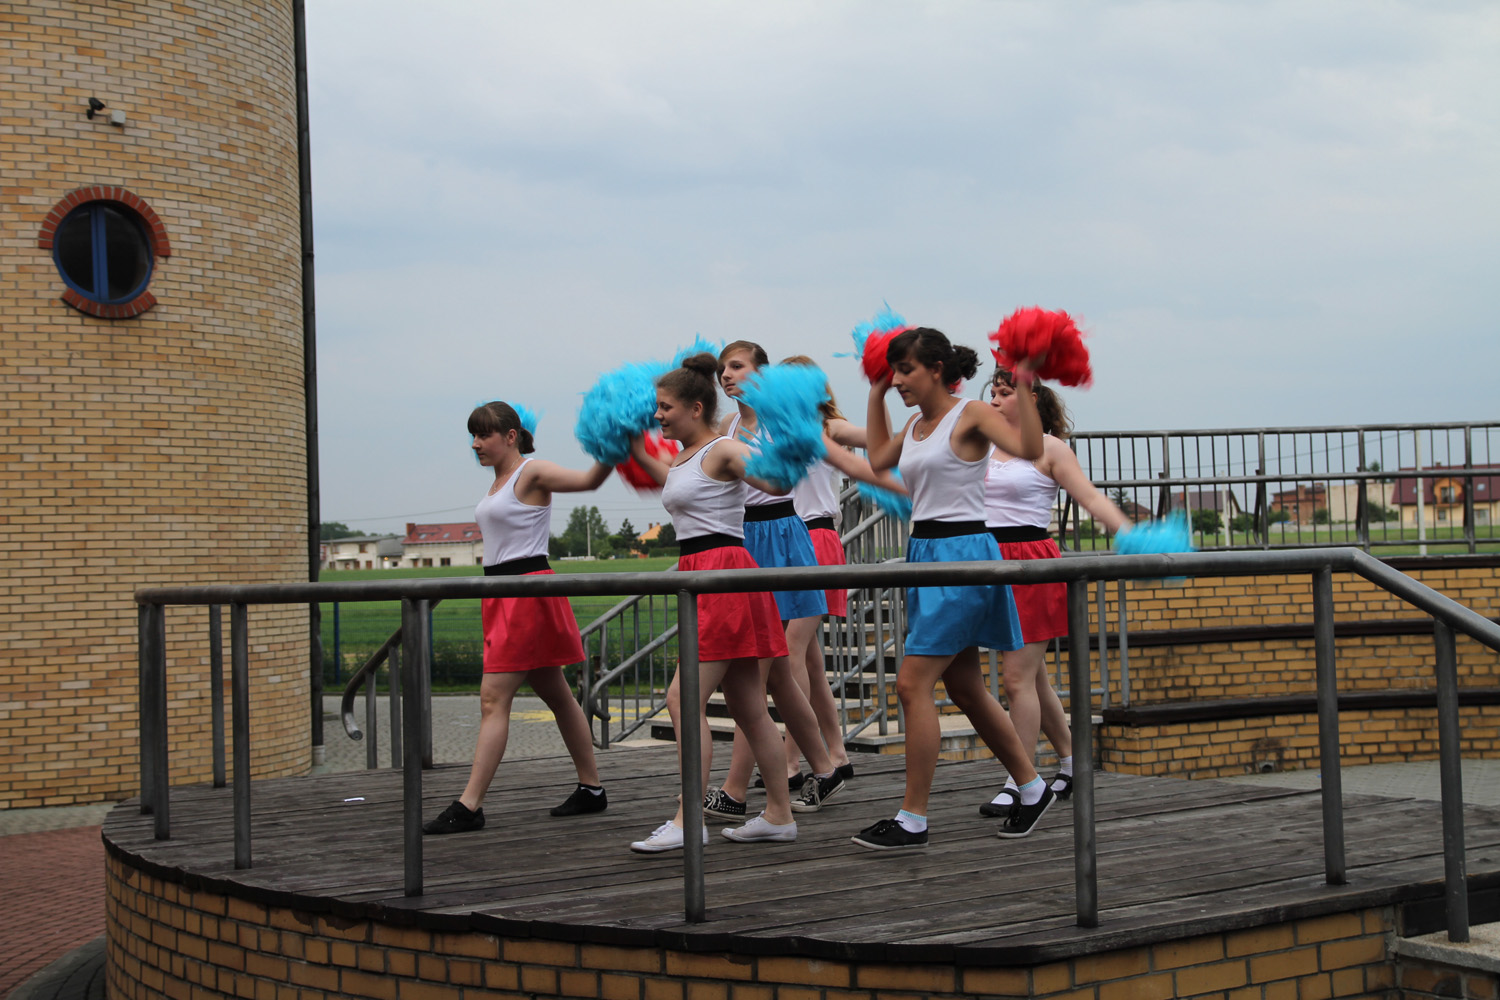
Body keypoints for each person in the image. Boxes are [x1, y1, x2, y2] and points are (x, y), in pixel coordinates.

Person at [853, 327, 1055, 850]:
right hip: (925, 554)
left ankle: (913, 818)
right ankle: (1032, 788)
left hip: (963, 555)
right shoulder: (917, 424)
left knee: (911, 685)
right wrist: (875, 393)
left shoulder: (971, 414)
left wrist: (1025, 384)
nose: (899, 380)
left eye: (906, 371)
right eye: (894, 371)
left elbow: (1031, 447)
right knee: (964, 688)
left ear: (937, 369)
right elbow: (878, 459)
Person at [624, 353, 801, 851]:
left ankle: (688, 819)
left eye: (665, 407)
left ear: (695, 408)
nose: (658, 415)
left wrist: (793, 441)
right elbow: (667, 476)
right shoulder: (684, 456)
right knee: (749, 707)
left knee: (682, 699)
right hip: (701, 573)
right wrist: (629, 442)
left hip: (721, 574)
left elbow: (777, 482)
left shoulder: (723, 449)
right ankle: (780, 815)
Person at [423, 402, 611, 835]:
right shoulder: (499, 481)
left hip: (525, 594)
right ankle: (592, 789)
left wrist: (613, 444)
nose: (475, 444)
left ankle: (470, 805)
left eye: (483, 435)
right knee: (557, 694)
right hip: (504, 595)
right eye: (472, 435)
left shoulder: (532, 472)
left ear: (510, 436)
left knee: (493, 698)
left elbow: (588, 481)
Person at [979, 367, 1132, 815]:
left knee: (1016, 679)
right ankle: (1071, 762)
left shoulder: (1050, 448)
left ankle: (1020, 781)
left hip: (1032, 562)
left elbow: (1091, 498)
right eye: (992, 392)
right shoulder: (983, 445)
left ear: (1029, 398)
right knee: (1032, 678)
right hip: (988, 561)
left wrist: (1131, 534)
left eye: (1003, 393)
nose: (993, 400)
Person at [704, 342, 846, 819]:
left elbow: (842, 440)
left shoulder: (784, 420)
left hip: (783, 537)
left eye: (737, 366)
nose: (726, 375)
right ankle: (826, 766)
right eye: (722, 368)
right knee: (780, 672)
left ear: (761, 373)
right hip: (745, 541)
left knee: (758, 670)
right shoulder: (727, 425)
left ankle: (736, 789)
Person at [769, 355, 908, 789]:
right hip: (786, 540)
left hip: (817, 538)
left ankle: (791, 762)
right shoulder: (774, 430)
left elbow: (880, 442)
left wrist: (880, 393)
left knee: (790, 653)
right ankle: (837, 753)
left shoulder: (828, 427)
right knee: (810, 661)